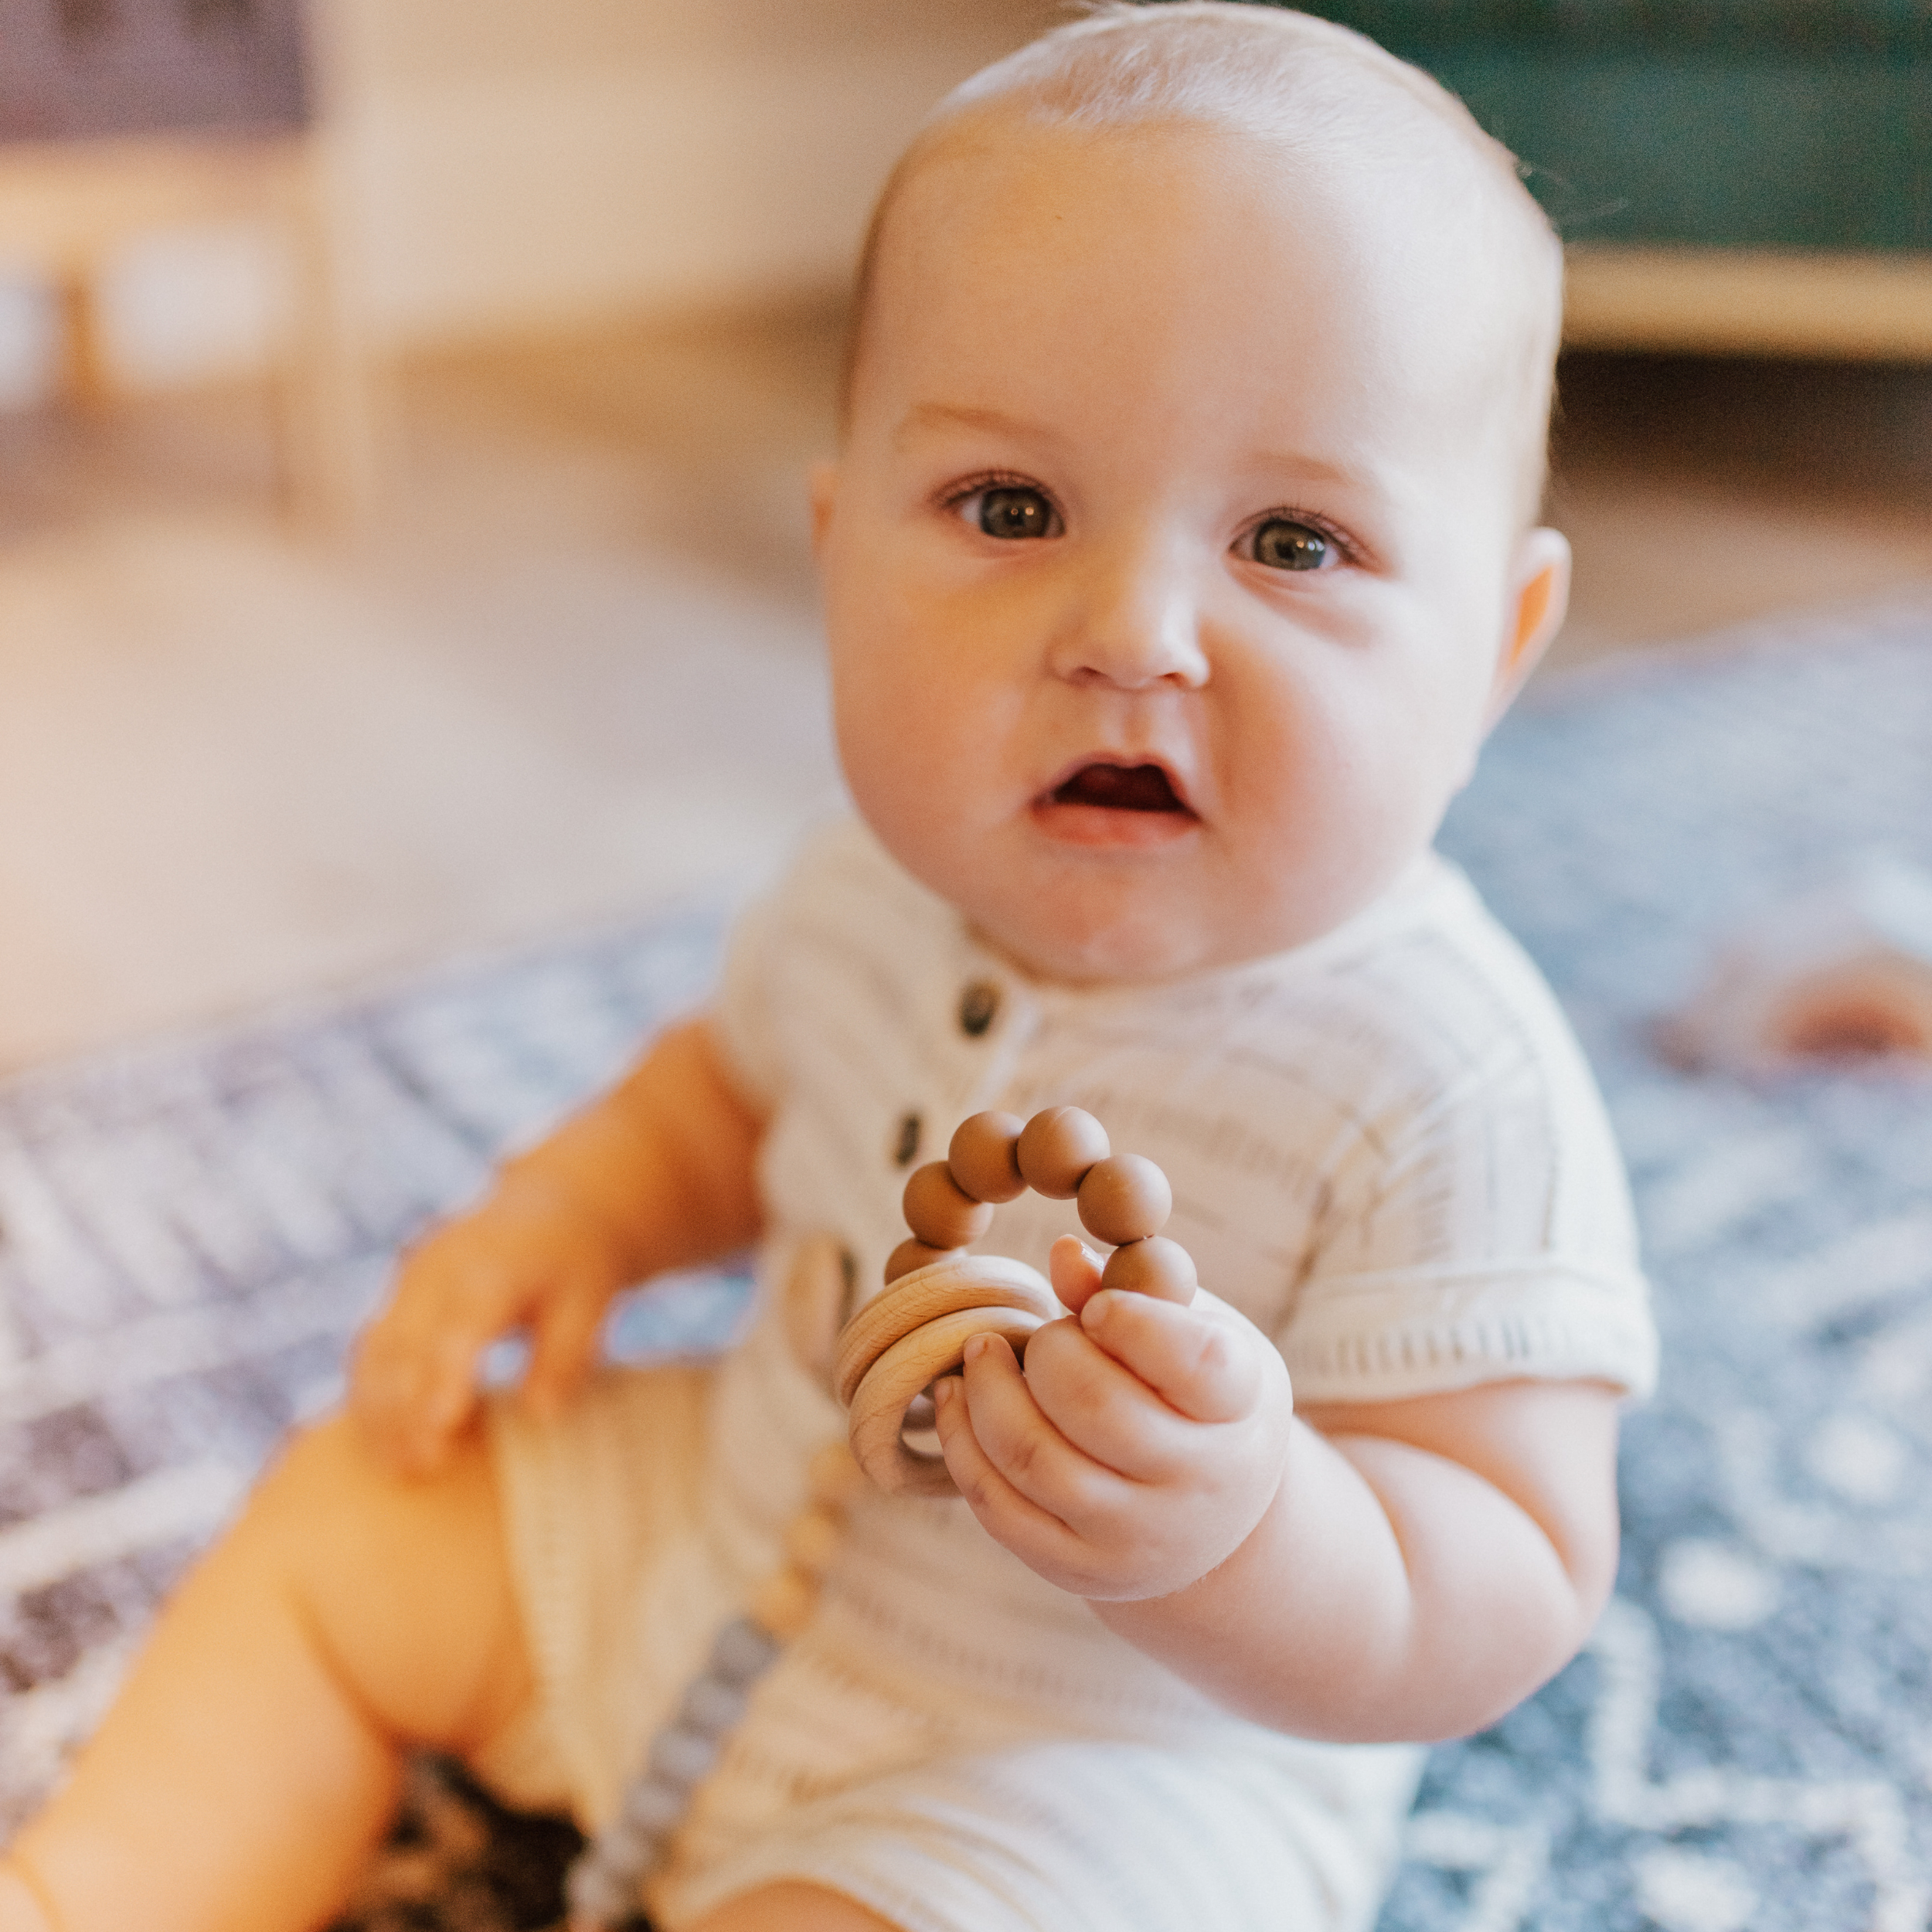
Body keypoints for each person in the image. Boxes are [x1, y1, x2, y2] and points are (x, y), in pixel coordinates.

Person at [0, 7, 1658, 1930]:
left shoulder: (1439, 1078)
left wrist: (1248, 1525)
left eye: (1291, 538)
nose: (1130, 627)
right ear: (837, 552)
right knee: (347, 1515)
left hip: (1086, 1771)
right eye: (1009, 509)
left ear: (1495, 650)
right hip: (704, 1534)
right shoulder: (868, 879)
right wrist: (578, 1214)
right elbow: (732, 1090)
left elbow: (1513, 1565)